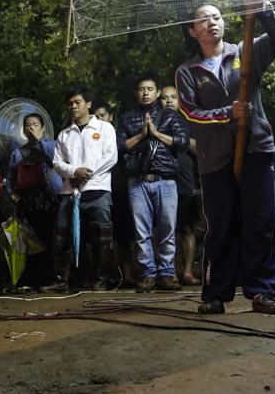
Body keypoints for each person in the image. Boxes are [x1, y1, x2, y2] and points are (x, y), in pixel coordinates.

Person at [175, 0, 275, 315]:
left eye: (217, 16)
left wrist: (263, 8)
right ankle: (215, 294)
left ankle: (262, 292)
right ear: (192, 32)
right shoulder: (188, 71)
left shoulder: (244, 53)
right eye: (203, 20)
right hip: (214, 158)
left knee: (260, 221)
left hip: (255, 147)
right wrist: (230, 112)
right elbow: (190, 113)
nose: (212, 22)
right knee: (220, 225)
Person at [116, 78, 189, 291]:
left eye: (150, 89)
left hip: (165, 180)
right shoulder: (128, 118)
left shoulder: (170, 115)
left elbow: (182, 142)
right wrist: (141, 135)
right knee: (142, 231)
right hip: (137, 181)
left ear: (157, 92)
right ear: (136, 93)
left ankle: (167, 274)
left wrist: (156, 134)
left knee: (168, 229)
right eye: (141, 89)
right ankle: (147, 274)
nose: (145, 93)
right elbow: (119, 147)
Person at [45, 86, 118, 291]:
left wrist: (87, 172)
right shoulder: (64, 134)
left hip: (98, 190)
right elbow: (58, 163)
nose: (73, 106)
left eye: (77, 102)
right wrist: (75, 171)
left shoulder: (104, 129)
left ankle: (99, 281)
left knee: (100, 238)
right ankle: (62, 281)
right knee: (63, 237)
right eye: (70, 103)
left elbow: (111, 156)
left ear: (88, 104)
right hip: (70, 192)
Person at [5, 113, 61, 289]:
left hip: (49, 200)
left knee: (50, 240)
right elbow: (10, 177)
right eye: (28, 125)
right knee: (30, 241)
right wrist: (11, 193)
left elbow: (57, 162)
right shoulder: (18, 152)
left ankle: (51, 279)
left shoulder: (52, 146)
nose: (31, 128)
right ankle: (31, 280)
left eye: (35, 124)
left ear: (43, 128)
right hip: (27, 203)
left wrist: (39, 142)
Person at [160, 85, 201, 285]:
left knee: (187, 228)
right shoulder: (155, 121)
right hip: (161, 180)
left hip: (185, 182)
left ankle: (187, 272)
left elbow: (200, 147)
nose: (169, 101)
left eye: (173, 97)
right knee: (165, 229)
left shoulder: (189, 122)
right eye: (165, 97)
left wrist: (177, 140)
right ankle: (169, 273)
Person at [94, 102, 136, 287]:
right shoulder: (92, 139)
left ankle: (127, 275)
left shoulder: (120, 136)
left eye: (103, 115)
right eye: (96, 116)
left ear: (111, 117)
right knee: (101, 237)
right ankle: (106, 275)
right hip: (100, 191)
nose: (100, 119)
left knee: (124, 237)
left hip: (121, 191)